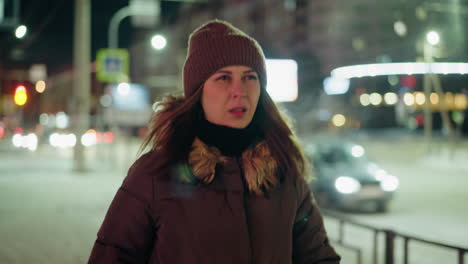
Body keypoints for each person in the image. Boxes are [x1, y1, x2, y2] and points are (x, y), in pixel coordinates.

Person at [88, 19, 340, 264]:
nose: (239, 90)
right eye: (223, 78)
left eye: (250, 77)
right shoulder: (155, 174)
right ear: (198, 91)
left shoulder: (283, 172)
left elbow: (318, 257)